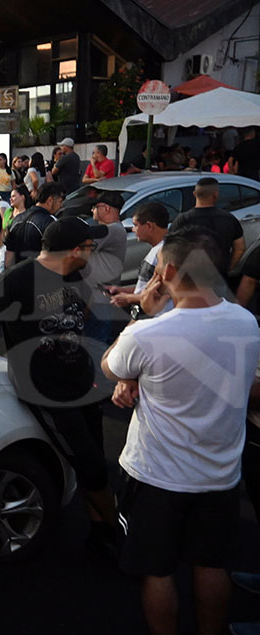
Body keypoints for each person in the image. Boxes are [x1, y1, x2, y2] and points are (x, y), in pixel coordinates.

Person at [102, 230, 260, 635]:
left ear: (168, 271)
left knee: (157, 571)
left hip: (157, 476)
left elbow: (111, 366)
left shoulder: (148, 333)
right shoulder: (246, 322)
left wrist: (143, 314)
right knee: (211, 565)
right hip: (220, 475)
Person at [0, 217, 122, 558]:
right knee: (92, 466)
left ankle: (100, 533)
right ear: (76, 250)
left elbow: (82, 311)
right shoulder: (18, 279)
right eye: (90, 247)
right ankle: (119, 530)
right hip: (47, 392)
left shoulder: (76, 274)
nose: (93, 252)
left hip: (83, 385)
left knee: (94, 463)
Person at [170, 177, 245, 276]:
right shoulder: (229, 219)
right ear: (216, 195)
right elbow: (240, 248)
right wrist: (227, 268)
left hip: (190, 278)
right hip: (219, 277)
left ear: (194, 194)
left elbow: (170, 250)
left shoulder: (183, 220)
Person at [83, 190, 128, 349]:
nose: (93, 211)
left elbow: (84, 247)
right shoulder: (115, 229)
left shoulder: (112, 230)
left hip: (100, 297)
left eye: (95, 207)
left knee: (96, 343)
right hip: (99, 295)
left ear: (106, 208)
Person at [106, 202, 170, 314]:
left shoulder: (164, 252)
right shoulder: (157, 249)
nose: (133, 229)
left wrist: (128, 298)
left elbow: (161, 293)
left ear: (149, 226)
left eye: (136, 225)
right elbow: (147, 286)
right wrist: (124, 290)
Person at [4, 182, 65, 267]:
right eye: (60, 201)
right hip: (40, 272)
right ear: (50, 200)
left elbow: (9, 256)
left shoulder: (16, 220)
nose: (61, 206)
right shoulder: (50, 221)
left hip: (18, 272)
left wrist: (10, 273)